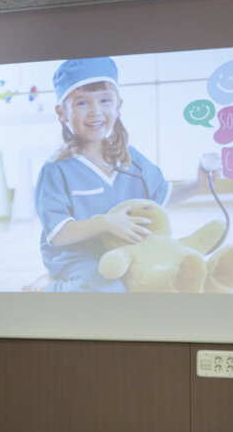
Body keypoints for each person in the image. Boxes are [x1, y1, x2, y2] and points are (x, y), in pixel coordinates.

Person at [34, 57, 215, 292]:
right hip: (78, 257)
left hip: (129, 251)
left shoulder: (131, 159)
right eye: (82, 103)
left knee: (175, 277)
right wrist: (106, 223)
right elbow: (58, 234)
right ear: (62, 112)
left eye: (105, 100)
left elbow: (162, 195)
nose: (95, 112)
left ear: (118, 106)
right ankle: (47, 286)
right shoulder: (56, 170)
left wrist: (198, 184)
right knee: (111, 290)